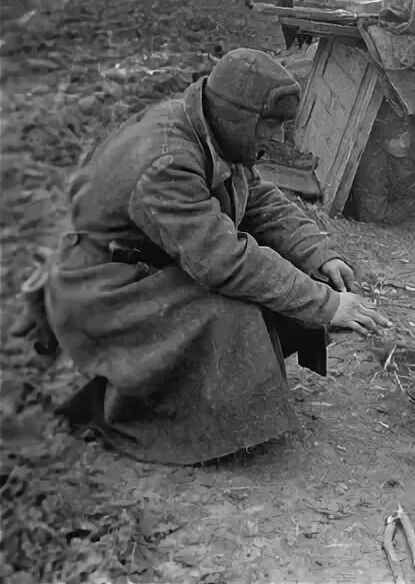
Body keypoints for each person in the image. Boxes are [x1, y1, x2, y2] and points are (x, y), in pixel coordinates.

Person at [25, 48, 390, 465]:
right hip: (101, 289)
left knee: (284, 282)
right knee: (232, 313)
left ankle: (192, 394)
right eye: (268, 126)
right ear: (237, 116)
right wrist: (327, 305)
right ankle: (141, 412)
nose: (277, 139)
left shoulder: (207, 126)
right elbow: (224, 262)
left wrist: (318, 255)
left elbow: (256, 199)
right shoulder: (167, 161)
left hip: (139, 267)